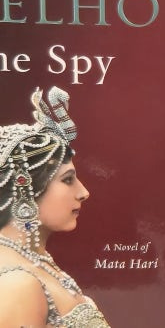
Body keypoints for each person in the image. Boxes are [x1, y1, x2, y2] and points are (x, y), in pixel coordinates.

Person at [0, 87, 109, 327]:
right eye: (68, 180)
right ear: (26, 188)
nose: (84, 193)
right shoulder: (18, 284)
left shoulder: (35, 259)